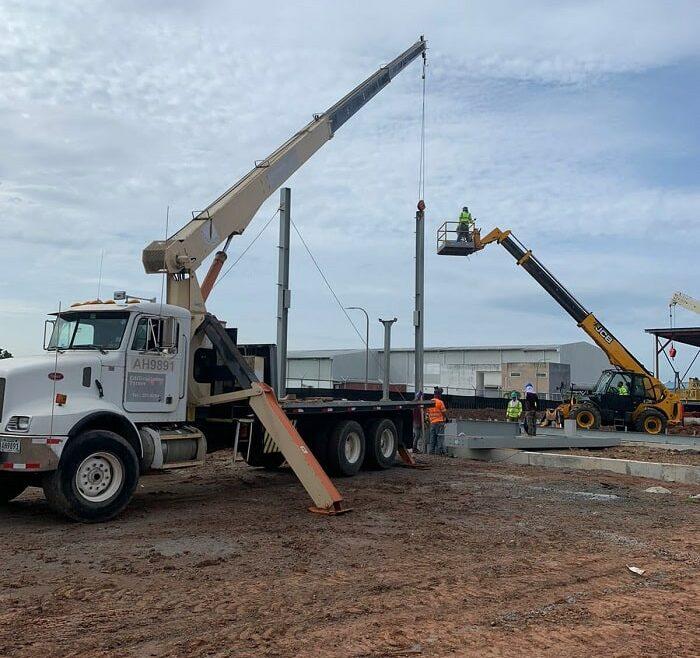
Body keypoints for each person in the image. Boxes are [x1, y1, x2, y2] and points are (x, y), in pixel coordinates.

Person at [426, 387, 447, 455]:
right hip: (440, 422)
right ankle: (439, 451)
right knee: (440, 437)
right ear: (439, 395)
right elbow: (443, 412)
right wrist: (446, 418)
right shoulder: (440, 402)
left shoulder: (430, 402)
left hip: (432, 422)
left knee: (432, 437)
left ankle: (431, 451)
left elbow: (427, 412)